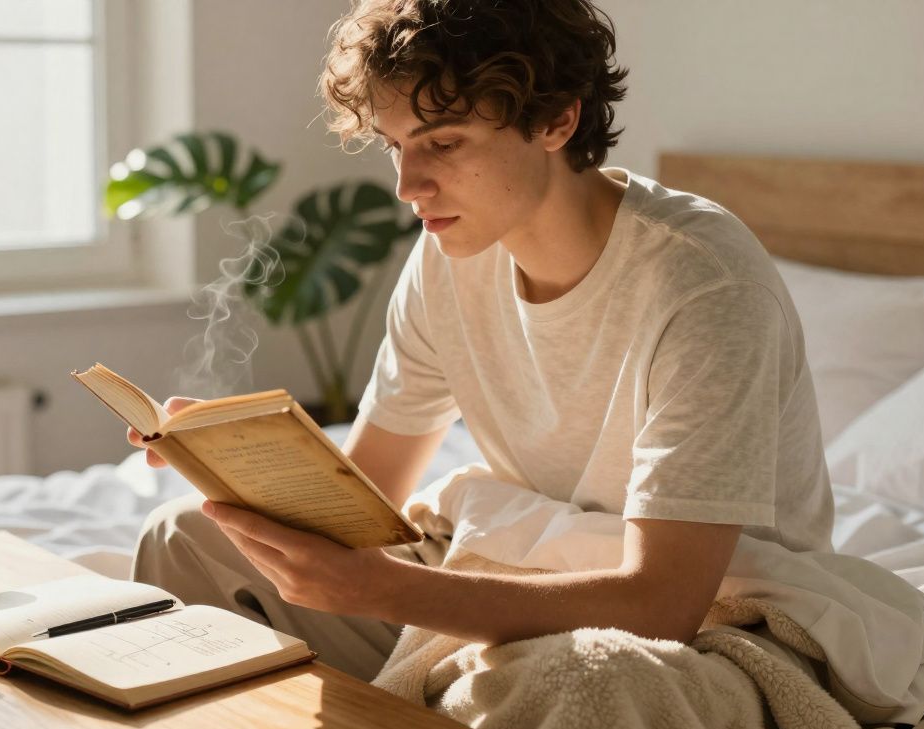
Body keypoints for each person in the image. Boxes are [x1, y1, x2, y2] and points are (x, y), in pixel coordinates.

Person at [130, 0, 833, 690]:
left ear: (558, 118)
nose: (408, 186)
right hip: (527, 565)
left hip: (719, 615)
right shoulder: (449, 256)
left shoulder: (703, 283)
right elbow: (369, 491)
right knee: (184, 536)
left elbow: (664, 605)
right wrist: (239, 464)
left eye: (443, 142)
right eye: (396, 146)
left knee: (569, 679)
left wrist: (385, 592)